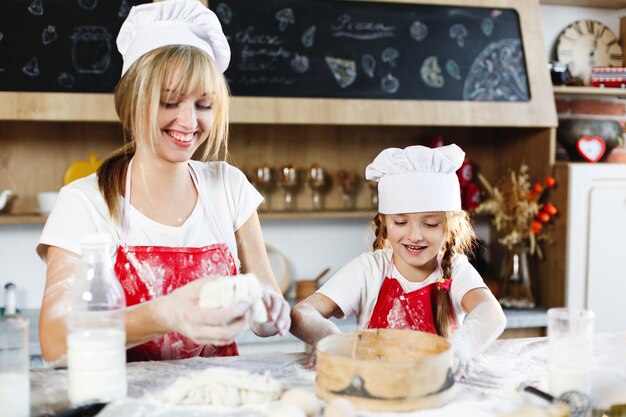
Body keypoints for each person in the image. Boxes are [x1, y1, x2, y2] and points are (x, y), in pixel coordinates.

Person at [37, 0, 290, 363]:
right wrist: (165, 314)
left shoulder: (229, 187)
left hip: (214, 399)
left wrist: (268, 310)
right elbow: (55, 342)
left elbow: (266, 313)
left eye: (204, 105)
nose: (189, 122)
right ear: (131, 104)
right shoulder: (84, 202)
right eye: (169, 102)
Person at [290, 144, 506, 377]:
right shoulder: (370, 270)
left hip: (436, 392)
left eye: (430, 224)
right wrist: (329, 339)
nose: (415, 235)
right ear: (384, 222)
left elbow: (491, 313)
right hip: (375, 389)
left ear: (450, 225)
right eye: (400, 223)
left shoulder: (455, 269)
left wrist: (463, 346)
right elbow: (302, 312)